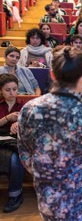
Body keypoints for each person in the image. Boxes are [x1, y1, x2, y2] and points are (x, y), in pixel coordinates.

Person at [18, 46, 82, 220]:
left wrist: (41, 170)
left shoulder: (29, 108)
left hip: (47, 196)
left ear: (52, 74)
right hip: (80, 200)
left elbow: (23, 149)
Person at [0, 74, 25, 212]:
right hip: (1, 140)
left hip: (14, 142)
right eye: (7, 90)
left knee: (16, 159)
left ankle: (15, 195)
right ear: (1, 91)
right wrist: (6, 118)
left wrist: (19, 123)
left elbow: (31, 126)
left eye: (14, 89)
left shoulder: (23, 105)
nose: (12, 93)